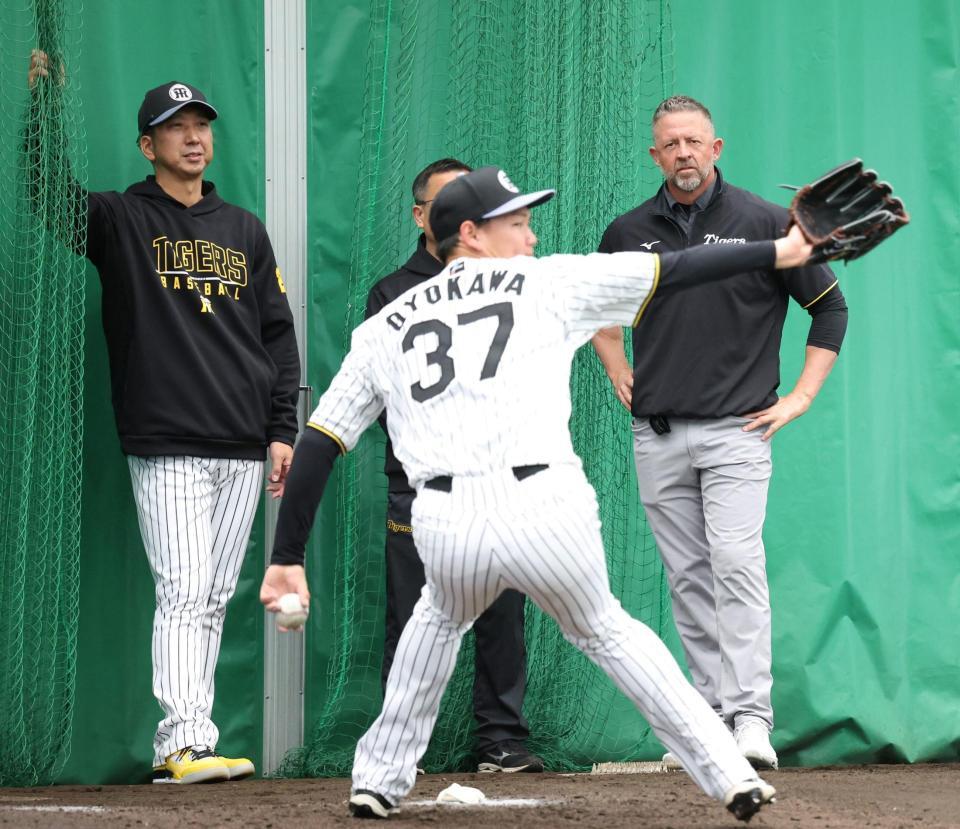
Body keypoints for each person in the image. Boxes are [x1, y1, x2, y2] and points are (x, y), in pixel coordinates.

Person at [260, 165, 819, 821]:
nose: (530, 236)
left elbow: (322, 439)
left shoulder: (387, 323)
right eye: (516, 223)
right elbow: (677, 268)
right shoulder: (548, 283)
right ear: (468, 233)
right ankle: (731, 775)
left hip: (444, 520)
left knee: (435, 621)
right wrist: (782, 252)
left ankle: (378, 780)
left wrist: (286, 553)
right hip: (545, 508)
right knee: (609, 631)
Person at [28, 53, 301, 784]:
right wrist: (43, 105)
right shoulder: (120, 217)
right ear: (147, 146)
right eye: (173, 128)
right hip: (169, 436)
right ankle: (182, 741)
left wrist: (283, 430)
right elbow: (45, 192)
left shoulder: (243, 228)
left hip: (244, 440)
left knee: (214, 593)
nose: (191, 138)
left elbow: (277, 334)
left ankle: (190, 738)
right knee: (184, 588)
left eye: (200, 126)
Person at [592, 95, 848, 771]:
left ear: (717, 148)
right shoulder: (626, 230)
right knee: (688, 578)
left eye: (693, 141)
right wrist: (616, 361)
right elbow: (599, 308)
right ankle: (707, 718)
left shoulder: (768, 223)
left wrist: (799, 397)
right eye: (669, 143)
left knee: (736, 566)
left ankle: (752, 718)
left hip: (738, 432)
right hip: (659, 432)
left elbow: (830, 310)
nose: (682, 153)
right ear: (655, 155)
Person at [364, 158, 540, 773]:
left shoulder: (514, 279)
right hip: (421, 489)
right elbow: (382, 396)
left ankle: (501, 740)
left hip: (503, 482)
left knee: (502, 615)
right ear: (422, 217)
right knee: (414, 618)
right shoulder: (391, 293)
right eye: (448, 205)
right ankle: (396, 752)